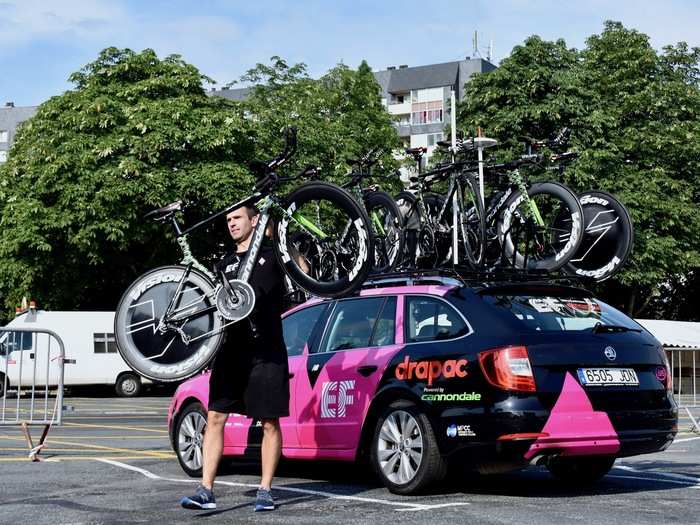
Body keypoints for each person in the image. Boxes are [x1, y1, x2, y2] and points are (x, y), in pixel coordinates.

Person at [180, 205, 289, 513]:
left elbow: (304, 271)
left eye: (237, 218)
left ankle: (265, 490)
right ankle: (205, 490)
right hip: (232, 349)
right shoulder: (225, 263)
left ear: (254, 220)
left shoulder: (274, 254)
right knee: (215, 417)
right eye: (228, 220)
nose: (231, 224)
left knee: (269, 421)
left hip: (267, 349)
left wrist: (280, 237)